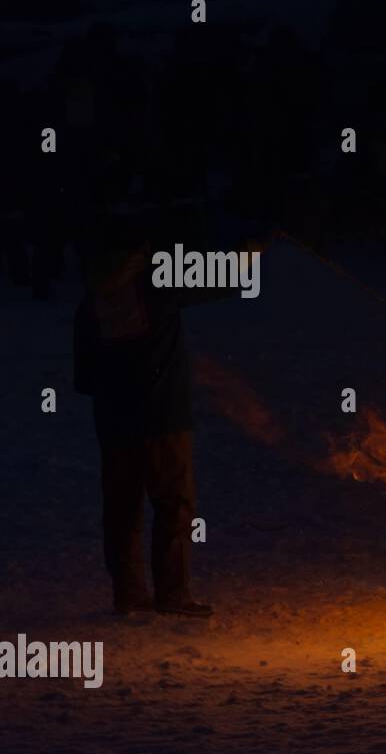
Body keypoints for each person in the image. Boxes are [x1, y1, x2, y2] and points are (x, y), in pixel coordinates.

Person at [73, 210, 254, 617]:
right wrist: (249, 251)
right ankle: (172, 594)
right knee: (173, 504)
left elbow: (82, 379)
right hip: (165, 419)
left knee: (122, 508)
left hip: (115, 424)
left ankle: (129, 596)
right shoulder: (158, 282)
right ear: (139, 251)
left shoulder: (90, 304)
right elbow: (216, 280)